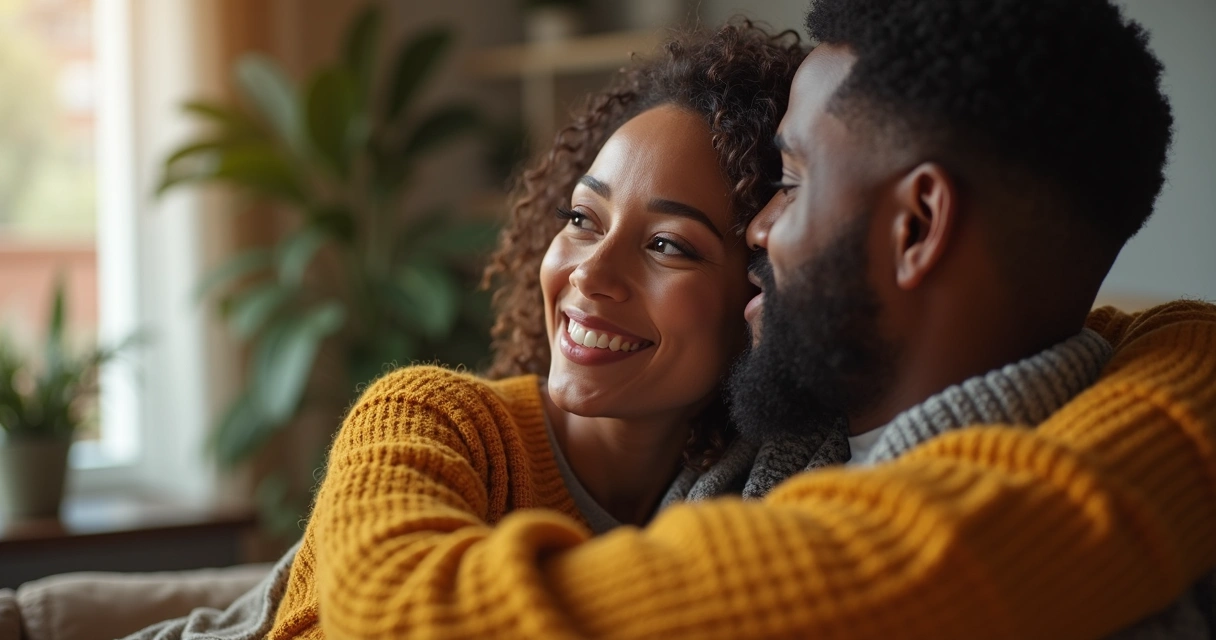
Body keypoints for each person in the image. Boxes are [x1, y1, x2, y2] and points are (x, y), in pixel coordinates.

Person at [260, 0, 1216, 638]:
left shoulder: (1067, 577)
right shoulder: (785, 433)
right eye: (582, 218)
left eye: (790, 184)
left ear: (918, 224)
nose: (761, 229)